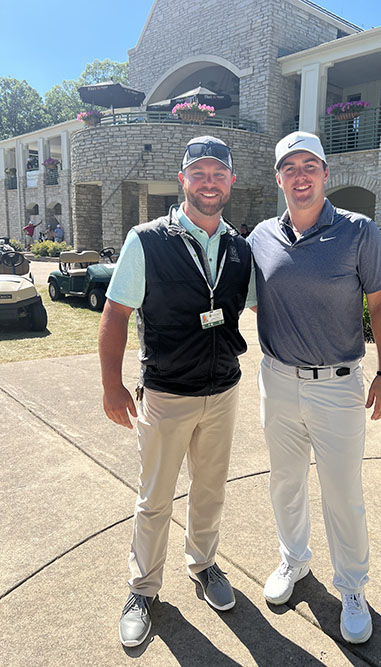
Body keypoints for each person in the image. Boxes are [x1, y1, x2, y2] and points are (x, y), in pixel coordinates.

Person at [98, 136, 255, 648]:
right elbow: (115, 315)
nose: (209, 183)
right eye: (199, 173)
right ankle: (142, 589)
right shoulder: (146, 240)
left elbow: (259, 308)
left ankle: (204, 565)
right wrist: (111, 386)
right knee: (155, 499)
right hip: (166, 394)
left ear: (230, 181)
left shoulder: (239, 247)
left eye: (218, 174)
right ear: (182, 179)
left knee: (210, 490)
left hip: (223, 390)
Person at [247, 131, 381, 645]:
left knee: (342, 494)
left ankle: (353, 587)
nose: (301, 175)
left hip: (338, 386)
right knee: (285, 483)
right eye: (290, 167)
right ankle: (294, 561)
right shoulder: (261, 238)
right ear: (279, 179)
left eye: (310, 164)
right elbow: (249, 299)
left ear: (325, 173)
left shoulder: (358, 231)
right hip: (278, 381)